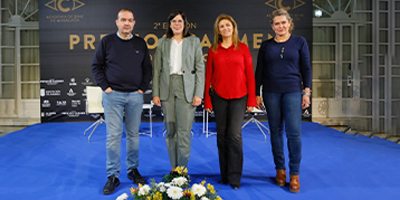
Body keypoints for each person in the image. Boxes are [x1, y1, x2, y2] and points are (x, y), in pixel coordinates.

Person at [91, 8, 152, 195]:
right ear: (116, 22)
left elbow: (147, 69)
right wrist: (106, 88)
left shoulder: (140, 43)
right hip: (113, 96)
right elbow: (96, 66)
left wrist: (141, 88)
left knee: (134, 135)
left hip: (135, 95)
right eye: (123, 20)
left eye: (130, 20)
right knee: (113, 136)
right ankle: (113, 176)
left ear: (134, 23)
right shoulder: (107, 42)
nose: (127, 23)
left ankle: (132, 170)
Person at [255, 8, 311, 193]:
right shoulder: (266, 46)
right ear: (272, 26)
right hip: (270, 92)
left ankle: (294, 174)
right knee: (276, 132)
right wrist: (256, 93)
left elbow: (306, 69)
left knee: (294, 133)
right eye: (276, 23)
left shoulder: (300, 42)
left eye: (283, 22)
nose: (280, 26)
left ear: (289, 23)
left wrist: (307, 92)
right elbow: (259, 71)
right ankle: (280, 170)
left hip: (293, 92)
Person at [204, 14, 256, 190]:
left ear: (233, 27)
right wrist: (208, 101)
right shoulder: (213, 50)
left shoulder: (243, 49)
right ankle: (224, 175)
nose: (225, 29)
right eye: (221, 27)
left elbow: (250, 75)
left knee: (234, 136)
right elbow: (207, 77)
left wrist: (252, 100)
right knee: (221, 137)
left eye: (228, 25)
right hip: (218, 97)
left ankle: (235, 177)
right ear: (218, 31)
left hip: (239, 97)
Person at [152, 10, 204, 170]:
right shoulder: (162, 42)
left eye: (180, 21)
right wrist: (155, 93)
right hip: (166, 88)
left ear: (184, 24)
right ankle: (173, 168)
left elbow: (200, 68)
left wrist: (198, 93)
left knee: (184, 132)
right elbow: (157, 69)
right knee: (170, 131)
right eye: (174, 21)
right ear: (169, 25)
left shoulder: (194, 42)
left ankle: (182, 169)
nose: (177, 24)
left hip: (186, 88)